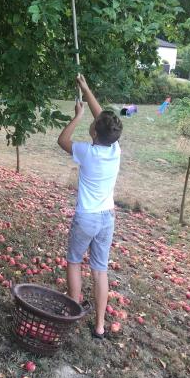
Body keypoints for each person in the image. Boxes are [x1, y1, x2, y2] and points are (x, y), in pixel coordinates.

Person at [57, 75, 123, 339]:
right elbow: (104, 120)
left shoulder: (87, 151)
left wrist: (78, 115)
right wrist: (86, 88)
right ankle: (99, 326)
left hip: (87, 218)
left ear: (95, 131)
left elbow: (62, 140)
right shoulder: (114, 149)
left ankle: (72, 314)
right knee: (100, 270)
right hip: (107, 218)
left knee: (73, 262)